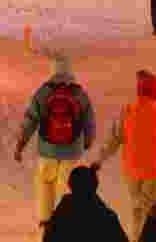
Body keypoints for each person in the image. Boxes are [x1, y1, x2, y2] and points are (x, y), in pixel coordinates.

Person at [90, 69, 156, 242]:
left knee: (137, 206)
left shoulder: (127, 111)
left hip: (131, 170)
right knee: (151, 207)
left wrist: (99, 160)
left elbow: (113, 139)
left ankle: (136, 239)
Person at [15, 52, 96, 232]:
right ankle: (65, 220)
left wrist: (20, 144)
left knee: (45, 183)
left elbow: (30, 120)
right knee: (67, 186)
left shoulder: (43, 93)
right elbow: (89, 121)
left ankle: (45, 220)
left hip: (47, 150)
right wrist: (87, 142)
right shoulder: (79, 93)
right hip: (72, 150)